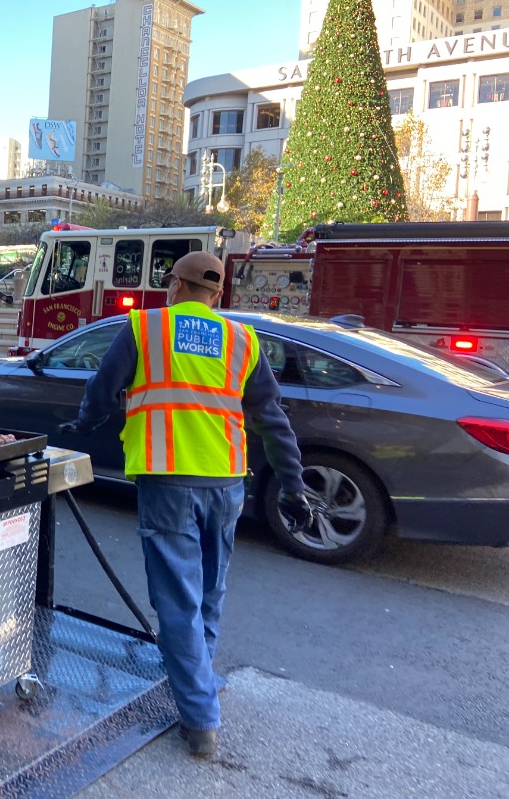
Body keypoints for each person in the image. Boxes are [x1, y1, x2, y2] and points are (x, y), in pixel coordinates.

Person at [64, 250, 312, 759]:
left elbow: (102, 392)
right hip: (226, 483)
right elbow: (272, 418)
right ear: (217, 295)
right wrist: (293, 485)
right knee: (208, 592)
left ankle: (199, 717)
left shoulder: (145, 328)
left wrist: (83, 425)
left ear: (174, 285)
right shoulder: (241, 340)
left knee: (177, 600)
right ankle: (197, 674)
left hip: (168, 480)